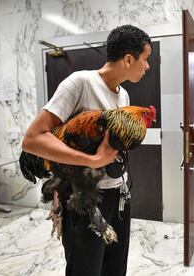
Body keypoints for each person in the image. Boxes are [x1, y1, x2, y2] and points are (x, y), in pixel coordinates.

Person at [22, 25, 151, 276]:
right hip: (84, 201)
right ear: (128, 58)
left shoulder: (123, 95)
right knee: (85, 270)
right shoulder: (80, 82)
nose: (147, 66)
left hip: (119, 196)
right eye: (145, 59)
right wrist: (91, 160)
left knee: (115, 269)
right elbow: (32, 139)